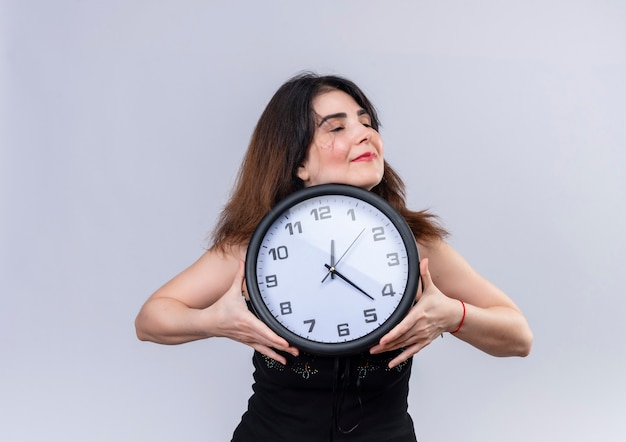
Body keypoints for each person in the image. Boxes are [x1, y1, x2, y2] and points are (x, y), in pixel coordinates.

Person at [135, 72, 533, 441]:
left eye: (366, 122)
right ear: (298, 163)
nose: (365, 135)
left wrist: (453, 316)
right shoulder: (254, 247)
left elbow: (518, 336)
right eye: (338, 127)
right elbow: (151, 319)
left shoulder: (414, 244)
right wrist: (213, 322)